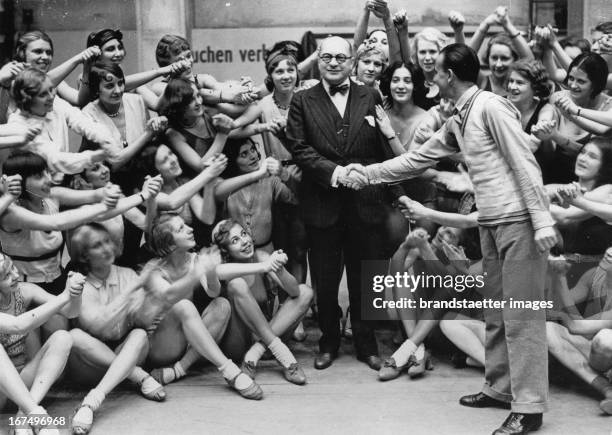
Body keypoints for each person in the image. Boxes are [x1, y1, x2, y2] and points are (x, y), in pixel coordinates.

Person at [347, 43, 558, 434]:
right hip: (492, 224)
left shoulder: (491, 107)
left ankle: (529, 408)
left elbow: (524, 161)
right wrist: (369, 172)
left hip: (520, 224)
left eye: (436, 72)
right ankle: (499, 388)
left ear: (449, 76)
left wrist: (542, 220)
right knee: (496, 312)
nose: (430, 78)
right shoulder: (460, 116)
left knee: (521, 316)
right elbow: (416, 160)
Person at [285, 35, 399, 371]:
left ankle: (367, 345)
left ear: (352, 60)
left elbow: (381, 145)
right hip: (323, 203)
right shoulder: (302, 100)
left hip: (366, 203)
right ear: (318, 59)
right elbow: (299, 149)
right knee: (326, 279)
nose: (334, 63)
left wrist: (371, 179)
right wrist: (336, 173)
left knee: (368, 277)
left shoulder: (371, 94)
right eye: (327, 57)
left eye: (340, 57)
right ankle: (329, 341)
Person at [139, 215, 263, 398]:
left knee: (222, 305)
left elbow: (213, 292)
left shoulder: (195, 259)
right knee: (183, 305)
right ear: (170, 245)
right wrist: (198, 272)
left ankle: (179, 369)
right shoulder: (153, 269)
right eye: (181, 228)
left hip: (188, 340)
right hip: (162, 346)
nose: (190, 229)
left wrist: (211, 271)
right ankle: (230, 371)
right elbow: (169, 295)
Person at [67, 223, 167, 435]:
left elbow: (142, 320)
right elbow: (99, 324)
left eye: (107, 241)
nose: (106, 249)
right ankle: (137, 375)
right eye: (97, 245)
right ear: (84, 256)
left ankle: (91, 402)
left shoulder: (128, 274)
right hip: (90, 364)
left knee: (139, 335)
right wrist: (134, 287)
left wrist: (156, 299)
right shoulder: (79, 283)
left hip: (125, 352)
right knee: (74, 336)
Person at [211, 219, 312, 384]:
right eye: (235, 241)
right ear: (226, 250)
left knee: (305, 292)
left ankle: (255, 353)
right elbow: (218, 272)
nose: (244, 241)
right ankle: (281, 355)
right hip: (238, 343)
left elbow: (295, 292)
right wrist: (264, 266)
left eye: (243, 234)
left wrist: (279, 269)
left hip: (267, 339)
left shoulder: (261, 256)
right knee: (237, 284)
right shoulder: (225, 266)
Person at [0, 254, 83, 435]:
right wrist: (64, 296)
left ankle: (25, 414)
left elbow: (70, 312)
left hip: (23, 383)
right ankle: (36, 414)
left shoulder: (24, 291)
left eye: (13, 267)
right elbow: (18, 325)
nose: (15, 275)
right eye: (6, 275)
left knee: (63, 337)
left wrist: (75, 292)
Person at [546, 252, 612, 415]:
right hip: (596, 355)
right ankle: (608, 390)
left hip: (605, 352)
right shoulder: (594, 275)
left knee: (605, 339)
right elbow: (563, 302)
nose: (610, 251)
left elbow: (576, 326)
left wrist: (561, 278)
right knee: (548, 329)